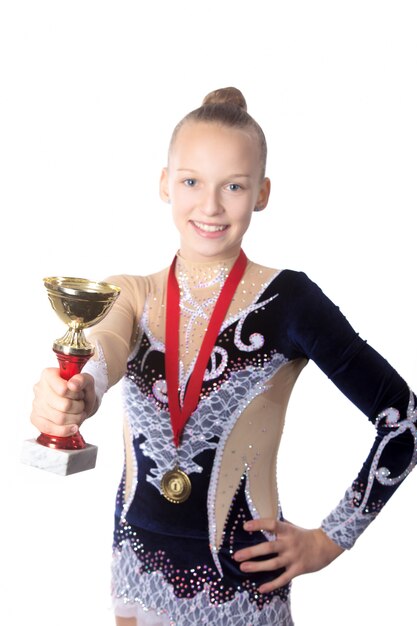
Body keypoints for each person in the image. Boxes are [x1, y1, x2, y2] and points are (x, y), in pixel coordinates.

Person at [31, 87, 416, 626]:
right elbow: (105, 351)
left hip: (242, 584)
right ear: (165, 184)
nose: (210, 206)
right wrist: (72, 394)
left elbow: (402, 421)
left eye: (233, 186)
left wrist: (331, 540)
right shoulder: (131, 294)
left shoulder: (290, 301)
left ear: (261, 193)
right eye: (191, 182)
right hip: (136, 573)